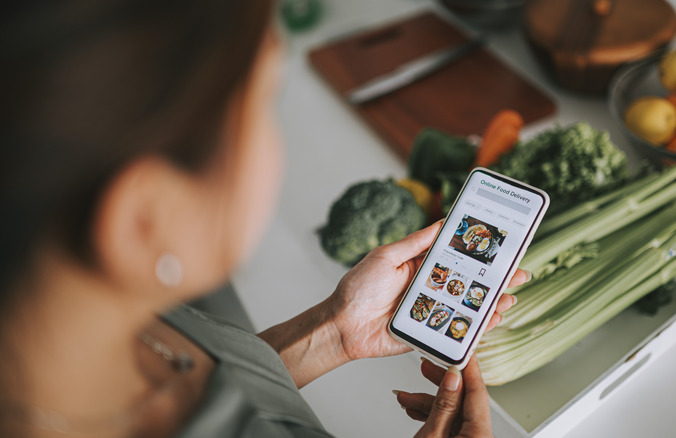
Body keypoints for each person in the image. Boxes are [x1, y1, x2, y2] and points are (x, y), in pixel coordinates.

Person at [0, 1, 527, 437]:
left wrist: (334, 332)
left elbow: (217, 390)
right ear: (144, 221)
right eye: (265, 102)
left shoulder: (100, 313)